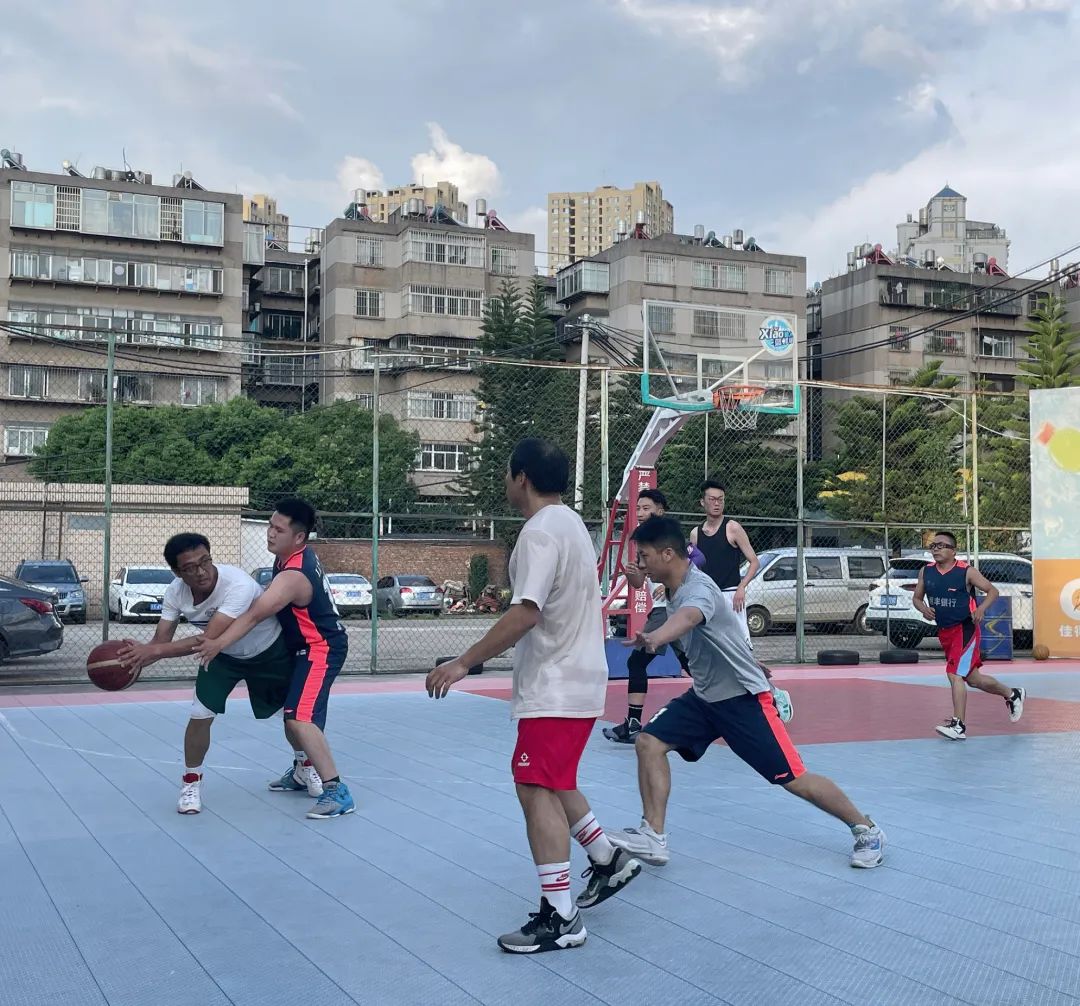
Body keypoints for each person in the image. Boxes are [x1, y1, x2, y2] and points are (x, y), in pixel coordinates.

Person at [426, 438, 641, 954]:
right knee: (554, 778)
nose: (506, 480)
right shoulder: (572, 525)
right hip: (578, 676)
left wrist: (463, 662)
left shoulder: (540, 532)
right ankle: (606, 857)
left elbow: (526, 611)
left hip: (556, 682)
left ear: (520, 477)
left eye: (507, 472)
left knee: (533, 785)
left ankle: (561, 915)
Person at [607, 516, 885, 870]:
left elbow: (689, 617)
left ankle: (866, 829)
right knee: (648, 742)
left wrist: (656, 638)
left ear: (667, 554)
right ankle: (653, 836)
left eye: (644, 556)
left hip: (742, 699)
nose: (641, 563)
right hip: (705, 697)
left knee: (794, 780)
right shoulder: (672, 586)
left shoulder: (698, 589)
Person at [117, 533, 309, 815]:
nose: (201, 571)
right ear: (177, 572)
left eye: (205, 561)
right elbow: (161, 642)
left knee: (292, 717)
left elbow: (209, 637)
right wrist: (134, 659)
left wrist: (153, 651)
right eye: (190, 567)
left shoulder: (238, 583)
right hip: (222, 657)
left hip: (268, 651)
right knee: (200, 714)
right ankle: (191, 782)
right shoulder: (175, 593)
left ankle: (305, 767)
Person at [194, 498, 354, 819]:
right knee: (291, 714)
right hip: (303, 648)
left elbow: (254, 615)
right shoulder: (292, 557)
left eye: (278, 530)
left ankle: (337, 791)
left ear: (299, 537)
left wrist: (218, 643)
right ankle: (302, 771)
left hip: (320, 649)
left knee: (300, 717)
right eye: (270, 525)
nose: (270, 533)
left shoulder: (293, 574)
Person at [913, 531, 1026, 740]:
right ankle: (1012, 694)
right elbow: (917, 599)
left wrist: (981, 608)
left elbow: (992, 591)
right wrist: (923, 609)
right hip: (945, 631)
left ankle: (959, 726)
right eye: (933, 545)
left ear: (953, 550)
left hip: (965, 629)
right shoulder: (925, 572)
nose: (936, 549)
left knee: (954, 674)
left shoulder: (967, 572)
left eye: (941, 545)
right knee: (973, 680)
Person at [604, 489, 691, 744]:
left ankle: (633, 724)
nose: (640, 512)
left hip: (669, 610)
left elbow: (696, 559)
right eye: (638, 508)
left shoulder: (670, 537)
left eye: (646, 508)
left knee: (637, 662)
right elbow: (638, 583)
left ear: (660, 511)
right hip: (665, 610)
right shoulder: (642, 541)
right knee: (690, 662)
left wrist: (671, 582)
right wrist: (633, 574)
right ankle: (726, 700)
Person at [689, 480, 760, 646]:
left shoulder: (733, 528)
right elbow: (692, 568)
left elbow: (754, 562)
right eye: (712, 499)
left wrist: (741, 587)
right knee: (711, 644)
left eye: (720, 499)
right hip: (707, 596)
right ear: (702, 502)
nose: (717, 503)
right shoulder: (695, 533)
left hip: (731, 595)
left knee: (739, 643)